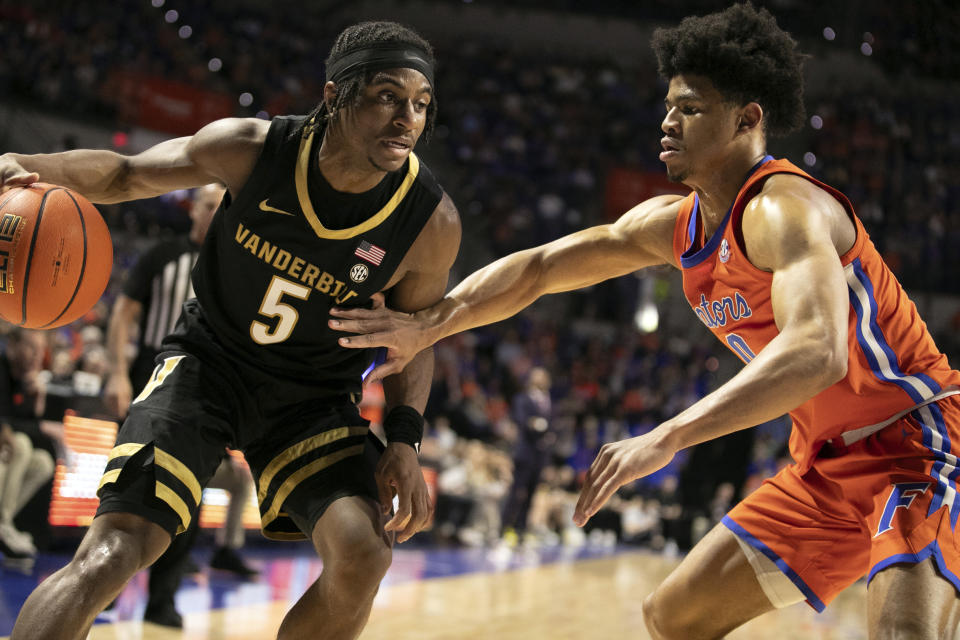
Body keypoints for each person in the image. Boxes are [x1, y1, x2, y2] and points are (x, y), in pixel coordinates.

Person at [329, 5, 960, 637]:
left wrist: (667, 436)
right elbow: (542, 268)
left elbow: (818, 352)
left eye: (690, 108)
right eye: (668, 106)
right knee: (673, 617)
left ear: (747, 120)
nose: (668, 121)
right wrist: (430, 325)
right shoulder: (674, 224)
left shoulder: (783, 210)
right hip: (825, 465)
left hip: (916, 442)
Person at [1, 20, 460, 640]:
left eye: (421, 104)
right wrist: (25, 164)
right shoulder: (252, 148)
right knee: (113, 554)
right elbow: (124, 174)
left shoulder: (429, 222)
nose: (408, 118)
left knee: (365, 552)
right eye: (386, 96)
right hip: (206, 366)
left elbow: (418, 335)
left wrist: (404, 440)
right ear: (333, 97)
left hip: (313, 399)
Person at [103, 184, 258, 630]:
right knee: (125, 491)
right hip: (149, 380)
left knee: (187, 499)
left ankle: (162, 599)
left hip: (203, 391)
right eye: (210, 206)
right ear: (194, 210)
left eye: (223, 207)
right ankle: (107, 587)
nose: (216, 213)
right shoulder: (163, 256)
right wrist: (115, 372)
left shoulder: (240, 265)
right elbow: (122, 316)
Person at [0, 329, 56, 559]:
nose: (36, 355)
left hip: (5, 450)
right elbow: (8, 428)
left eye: (40, 350)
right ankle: (4, 526)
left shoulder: (21, 380)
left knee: (43, 462)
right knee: (21, 445)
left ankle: (4, 524)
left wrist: (38, 401)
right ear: (12, 346)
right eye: (31, 347)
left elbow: (21, 425)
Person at [500, 366, 554, 546]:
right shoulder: (522, 399)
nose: (541, 380)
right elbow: (522, 420)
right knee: (517, 491)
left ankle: (521, 529)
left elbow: (550, 426)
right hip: (524, 452)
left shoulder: (547, 400)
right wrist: (536, 425)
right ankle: (504, 528)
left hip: (540, 454)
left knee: (531, 493)